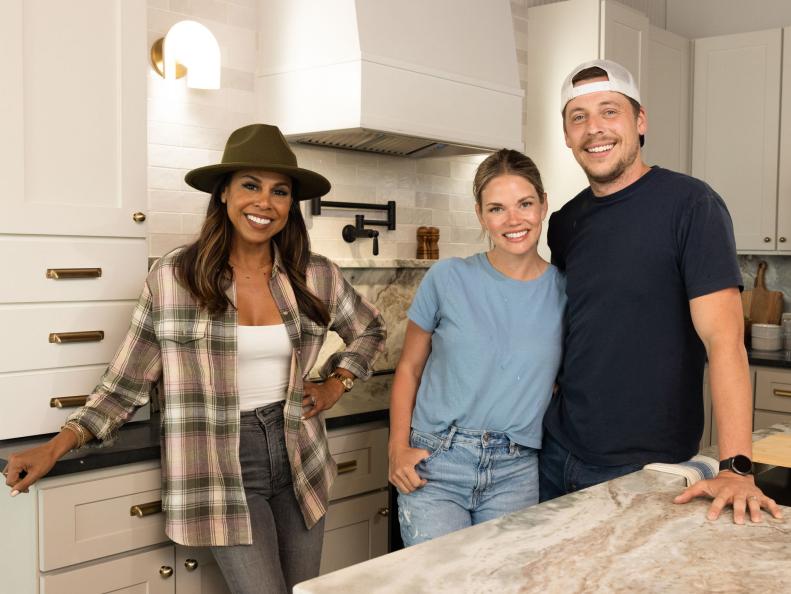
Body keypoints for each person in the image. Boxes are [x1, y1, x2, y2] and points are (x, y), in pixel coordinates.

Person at [2, 124, 386, 593]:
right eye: (250, 185)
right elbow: (125, 383)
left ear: (291, 205)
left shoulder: (314, 274)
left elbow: (370, 329)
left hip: (300, 454)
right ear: (223, 193)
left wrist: (336, 383)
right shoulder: (175, 277)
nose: (264, 202)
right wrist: (56, 445)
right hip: (220, 464)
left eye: (279, 191)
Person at [540, 58, 783, 524]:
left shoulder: (692, 205)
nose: (595, 129)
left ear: (640, 121)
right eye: (579, 117)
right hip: (556, 452)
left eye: (610, 111)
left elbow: (724, 341)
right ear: (567, 135)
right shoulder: (564, 222)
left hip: (646, 464)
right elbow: (574, 326)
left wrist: (736, 467)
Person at [388, 149, 566, 546]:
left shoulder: (565, 292)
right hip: (436, 464)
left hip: (515, 470)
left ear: (543, 206)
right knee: (440, 584)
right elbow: (409, 368)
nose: (514, 220)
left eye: (525, 204)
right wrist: (397, 448)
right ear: (480, 215)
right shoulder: (448, 277)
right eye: (497, 209)